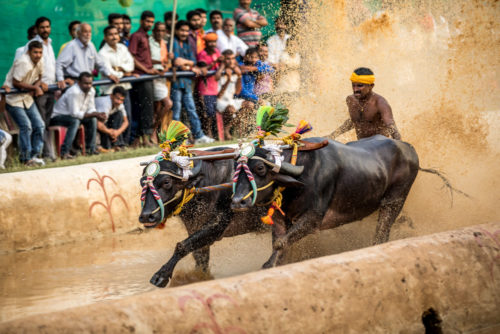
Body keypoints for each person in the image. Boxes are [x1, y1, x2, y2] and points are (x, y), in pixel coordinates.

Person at [329, 67, 402, 140]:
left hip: (378, 147)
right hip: (361, 146)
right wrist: (332, 135)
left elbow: (391, 127)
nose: (355, 89)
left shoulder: (380, 103)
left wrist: (400, 146)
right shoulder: (351, 100)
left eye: (360, 86)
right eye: (353, 85)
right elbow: (354, 121)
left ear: (371, 86)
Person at [171, 20, 213, 144]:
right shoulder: (173, 43)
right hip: (176, 82)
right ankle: (176, 139)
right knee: (176, 111)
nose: (184, 33)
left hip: (187, 82)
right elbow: (177, 62)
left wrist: (187, 64)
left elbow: (193, 61)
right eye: (182, 30)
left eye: (186, 31)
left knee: (191, 109)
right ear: (177, 31)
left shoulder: (188, 43)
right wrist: (188, 64)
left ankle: (199, 136)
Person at [4, 41, 46, 166]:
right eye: (35, 52)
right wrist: (35, 89)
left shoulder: (41, 61)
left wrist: (36, 87)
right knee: (26, 126)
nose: (38, 55)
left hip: (27, 98)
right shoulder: (23, 62)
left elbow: (39, 78)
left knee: (40, 125)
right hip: (13, 99)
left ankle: (34, 155)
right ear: (29, 52)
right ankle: (25, 159)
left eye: (40, 52)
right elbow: (16, 82)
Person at [50, 72, 105, 159]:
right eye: (85, 83)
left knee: (93, 119)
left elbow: (91, 108)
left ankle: (90, 149)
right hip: (57, 117)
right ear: (79, 83)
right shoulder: (74, 92)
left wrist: (97, 114)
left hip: (73, 116)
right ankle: (65, 152)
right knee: (75, 121)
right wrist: (95, 114)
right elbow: (74, 114)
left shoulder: (91, 90)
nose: (88, 86)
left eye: (90, 83)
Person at [98, 25, 135, 145]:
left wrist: (119, 69)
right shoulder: (102, 53)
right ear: (105, 37)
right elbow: (110, 72)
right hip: (110, 91)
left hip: (124, 88)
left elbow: (131, 65)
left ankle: (123, 143)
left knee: (125, 116)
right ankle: (109, 146)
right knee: (107, 120)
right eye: (111, 34)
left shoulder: (123, 48)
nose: (114, 37)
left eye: (116, 34)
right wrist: (124, 72)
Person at [56, 23, 118, 90]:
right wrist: (60, 79)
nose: (88, 34)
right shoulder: (71, 46)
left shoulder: (91, 45)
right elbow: (59, 64)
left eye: (90, 32)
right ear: (78, 33)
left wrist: (109, 74)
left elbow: (99, 63)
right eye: (85, 32)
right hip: (73, 83)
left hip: (87, 82)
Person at [128, 11, 158, 147]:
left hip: (147, 76)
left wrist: (159, 64)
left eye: (152, 22)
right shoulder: (136, 36)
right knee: (144, 108)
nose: (150, 24)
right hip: (141, 77)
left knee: (148, 108)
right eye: (147, 21)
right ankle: (143, 139)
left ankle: (144, 139)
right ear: (141, 21)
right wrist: (147, 70)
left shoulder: (147, 36)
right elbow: (131, 57)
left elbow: (145, 58)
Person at [29, 17, 58, 161]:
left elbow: (52, 65)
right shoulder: (33, 45)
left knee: (46, 123)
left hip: (51, 88)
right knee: (40, 124)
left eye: (47, 27)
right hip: (40, 90)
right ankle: (42, 155)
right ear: (37, 29)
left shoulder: (50, 43)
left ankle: (47, 154)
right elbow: (30, 68)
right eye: (42, 27)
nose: (45, 30)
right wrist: (37, 83)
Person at [236, 47, 273, 134]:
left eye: (256, 57)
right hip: (239, 97)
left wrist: (256, 69)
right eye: (251, 57)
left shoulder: (256, 64)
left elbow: (271, 69)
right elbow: (242, 91)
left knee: (267, 105)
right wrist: (257, 99)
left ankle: (261, 130)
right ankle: (242, 132)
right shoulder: (240, 67)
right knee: (253, 104)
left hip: (250, 96)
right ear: (245, 57)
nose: (253, 59)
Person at [149, 22, 173, 136]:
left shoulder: (166, 44)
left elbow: (167, 62)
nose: (160, 33)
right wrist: (160, 63)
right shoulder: (149, 42)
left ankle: (155, 131)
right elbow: (147, 59)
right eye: (158, 30)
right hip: (153, 76)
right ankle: (153, 129)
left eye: (162, 31)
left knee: (159, 107)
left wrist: (169, 62)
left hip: (163, 77)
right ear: (154, 31)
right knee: (167, 103)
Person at [197, 32, 222, 139]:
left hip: (215, 88)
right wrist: (215, 62)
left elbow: (223, 63)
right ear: (205, 43)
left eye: (214, 42)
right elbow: (204, 69)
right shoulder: (202, 54)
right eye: (210, 42)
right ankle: (208, 134)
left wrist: (219, 70)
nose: (212, 44)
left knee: (213, 112)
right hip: (204, 88)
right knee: (207, 113)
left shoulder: (217, 51)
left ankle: (214, 134)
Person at [215, 49, 243, 139]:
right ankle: (225, 132)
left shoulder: (234, 70)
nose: (231, 61)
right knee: (231, 109)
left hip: (231, 100)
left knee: (249, 105)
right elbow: (219, 95)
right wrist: (228, 79)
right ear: (223, 60)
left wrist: (239, 76)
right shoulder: (219, 71)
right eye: (228, 59)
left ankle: (228, 129)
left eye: (232, 58)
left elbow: (238, 92)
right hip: (220, 102)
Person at [95, 86, 129, 151]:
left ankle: (118, 145)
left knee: (119, 114)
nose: (119, 102)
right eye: (117, 99)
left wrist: (117, 132)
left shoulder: (120, 104)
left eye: (121, 100)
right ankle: (107, 146)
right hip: (95, 121)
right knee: (104, 123)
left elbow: (126, 122)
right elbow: (98, 123)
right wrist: (110, 132)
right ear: (111, 96)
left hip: (105, 121)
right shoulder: (105, 103)